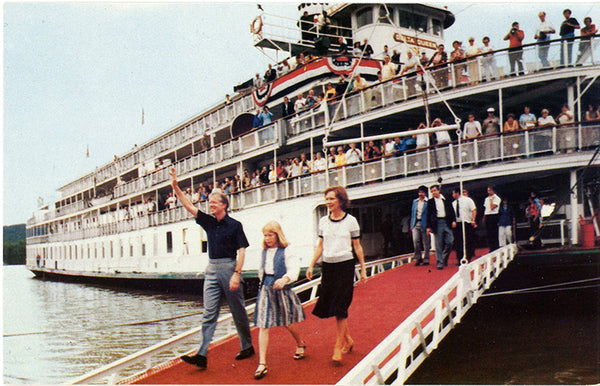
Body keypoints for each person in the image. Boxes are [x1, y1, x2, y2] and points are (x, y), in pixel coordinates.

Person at [170, 168, 254, 370]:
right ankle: (202, 354)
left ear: (224, 205)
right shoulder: (208, 222)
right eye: (210, 203)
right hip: (212, 269)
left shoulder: (235, 225)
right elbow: (189, 206)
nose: (211, 205)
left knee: (237, 310)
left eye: (214, 203)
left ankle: (247, 346)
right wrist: (175, 186)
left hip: (229, 267)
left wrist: (237, 274)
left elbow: (242, 250)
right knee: (209, 312)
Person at [306, 186, 367, 364]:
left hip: (345, 267)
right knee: (333, 307)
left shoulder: (351, 221)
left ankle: (338, 347)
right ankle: (348, 340)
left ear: (340, 200)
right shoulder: (324, 221)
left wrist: (362, 270)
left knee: (341, 306)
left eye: (332, 199)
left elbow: (357, 247)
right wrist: (311, 264)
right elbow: (320, 246)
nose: (328, 202)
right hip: (328, 267)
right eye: (326, 199)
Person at [253, 221, 306, 380]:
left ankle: (300, 343)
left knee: (287, 322)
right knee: (263, 324)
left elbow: (294, 269)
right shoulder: (264, 251)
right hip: (266, 288)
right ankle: (262, 363)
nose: (267, 238)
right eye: (265, 235)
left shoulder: (286, 250)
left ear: (277, 234)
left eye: (270, 235)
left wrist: (285, 279)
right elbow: (261, 270)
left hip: (281, 287)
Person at [426, 185, 456, 269]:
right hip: (437, 223)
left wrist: (453, 220)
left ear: (439, 191)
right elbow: (428, 215)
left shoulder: (446, 199)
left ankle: (443, 258)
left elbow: (451, 211)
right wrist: (428, 227)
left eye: (435, 190)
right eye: (432, 191)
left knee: (450, 241)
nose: (433, 192)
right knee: (438, 244)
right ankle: (439, 262)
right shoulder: (430, 202)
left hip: (446, 221)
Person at [452, 188, 477, 264]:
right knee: (458, 242)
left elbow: (474, 210)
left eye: (453, 193)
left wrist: (473, 219)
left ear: (457, 193)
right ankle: (459, 259)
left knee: (467, 241)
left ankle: (468, 257)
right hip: (458, 223)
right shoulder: (453, 203)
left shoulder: (468, 200)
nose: (452, 195)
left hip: (466, 223)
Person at [410, 185, 430, 266]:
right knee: (415, 241)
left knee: (426, 242)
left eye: (422, 192)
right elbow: (413, 213)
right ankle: (418, 258)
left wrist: (429, 226)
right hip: (416, 223)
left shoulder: (428, 202)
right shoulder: (415, 202)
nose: (420, 194)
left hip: (424, 223)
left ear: (425, 193)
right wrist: (412, 224)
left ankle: (426, 258)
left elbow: (430, 215)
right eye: (419, 192)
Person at [483, 186, 501, 251]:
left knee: (494, 233)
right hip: (488, 215)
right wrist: (484, 217)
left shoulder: (497, 198)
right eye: (488, 190)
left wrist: (491, 200)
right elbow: (486, 209)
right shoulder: (486, 199)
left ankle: (496, 247)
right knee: (489, 233)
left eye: (489, 190)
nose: (488, 192)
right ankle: (491, 247)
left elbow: (492, 207)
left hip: (494, 215)